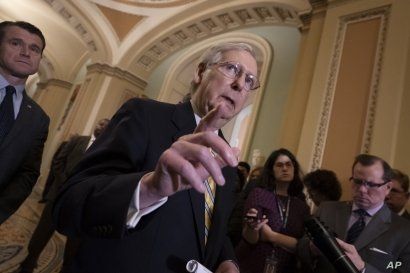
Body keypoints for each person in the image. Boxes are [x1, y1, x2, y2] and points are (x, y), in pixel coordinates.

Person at [53, 42, 260, 273]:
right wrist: (150, 188)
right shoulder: (144, 115)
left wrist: (227, 260)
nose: (240, 84)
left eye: (250, 80)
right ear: (201, 72)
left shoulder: (227, 162)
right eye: (232, 68)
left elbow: (211, 227)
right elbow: (68, 205)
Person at [17, 118, 110, 273]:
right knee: (42, 232)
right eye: (100, 124)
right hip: (58, 195)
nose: (100, 127)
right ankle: (28, 263)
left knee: (74, 244)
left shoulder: (104, 153)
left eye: (105, 127)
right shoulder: (78, 140)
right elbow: (59, 162)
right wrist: (64, 184)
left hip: (81, 205)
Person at [297, 154, 410, 273]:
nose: (362, 190)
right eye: (357, 181)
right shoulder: (327, 209)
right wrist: (311, 248)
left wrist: (363, 267)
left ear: (387, 188)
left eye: (371, 184)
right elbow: (300, 249)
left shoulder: (405, 231)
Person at [0, 21, 49, 224]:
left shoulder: (39, 119)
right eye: (16, 43)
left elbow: (28, 173)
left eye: (34, 48)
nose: (26, 52)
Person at [236, 148, 310, 273]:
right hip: (252, 263)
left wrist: (272, 236)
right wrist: (251, 227)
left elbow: (303, 247)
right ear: (271, 170)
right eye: (279, 165)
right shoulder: (259, 194)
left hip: (285, 268)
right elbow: (252, 239)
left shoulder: (301, 206)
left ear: (294, 169)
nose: (285, 168)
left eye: (288, 165)